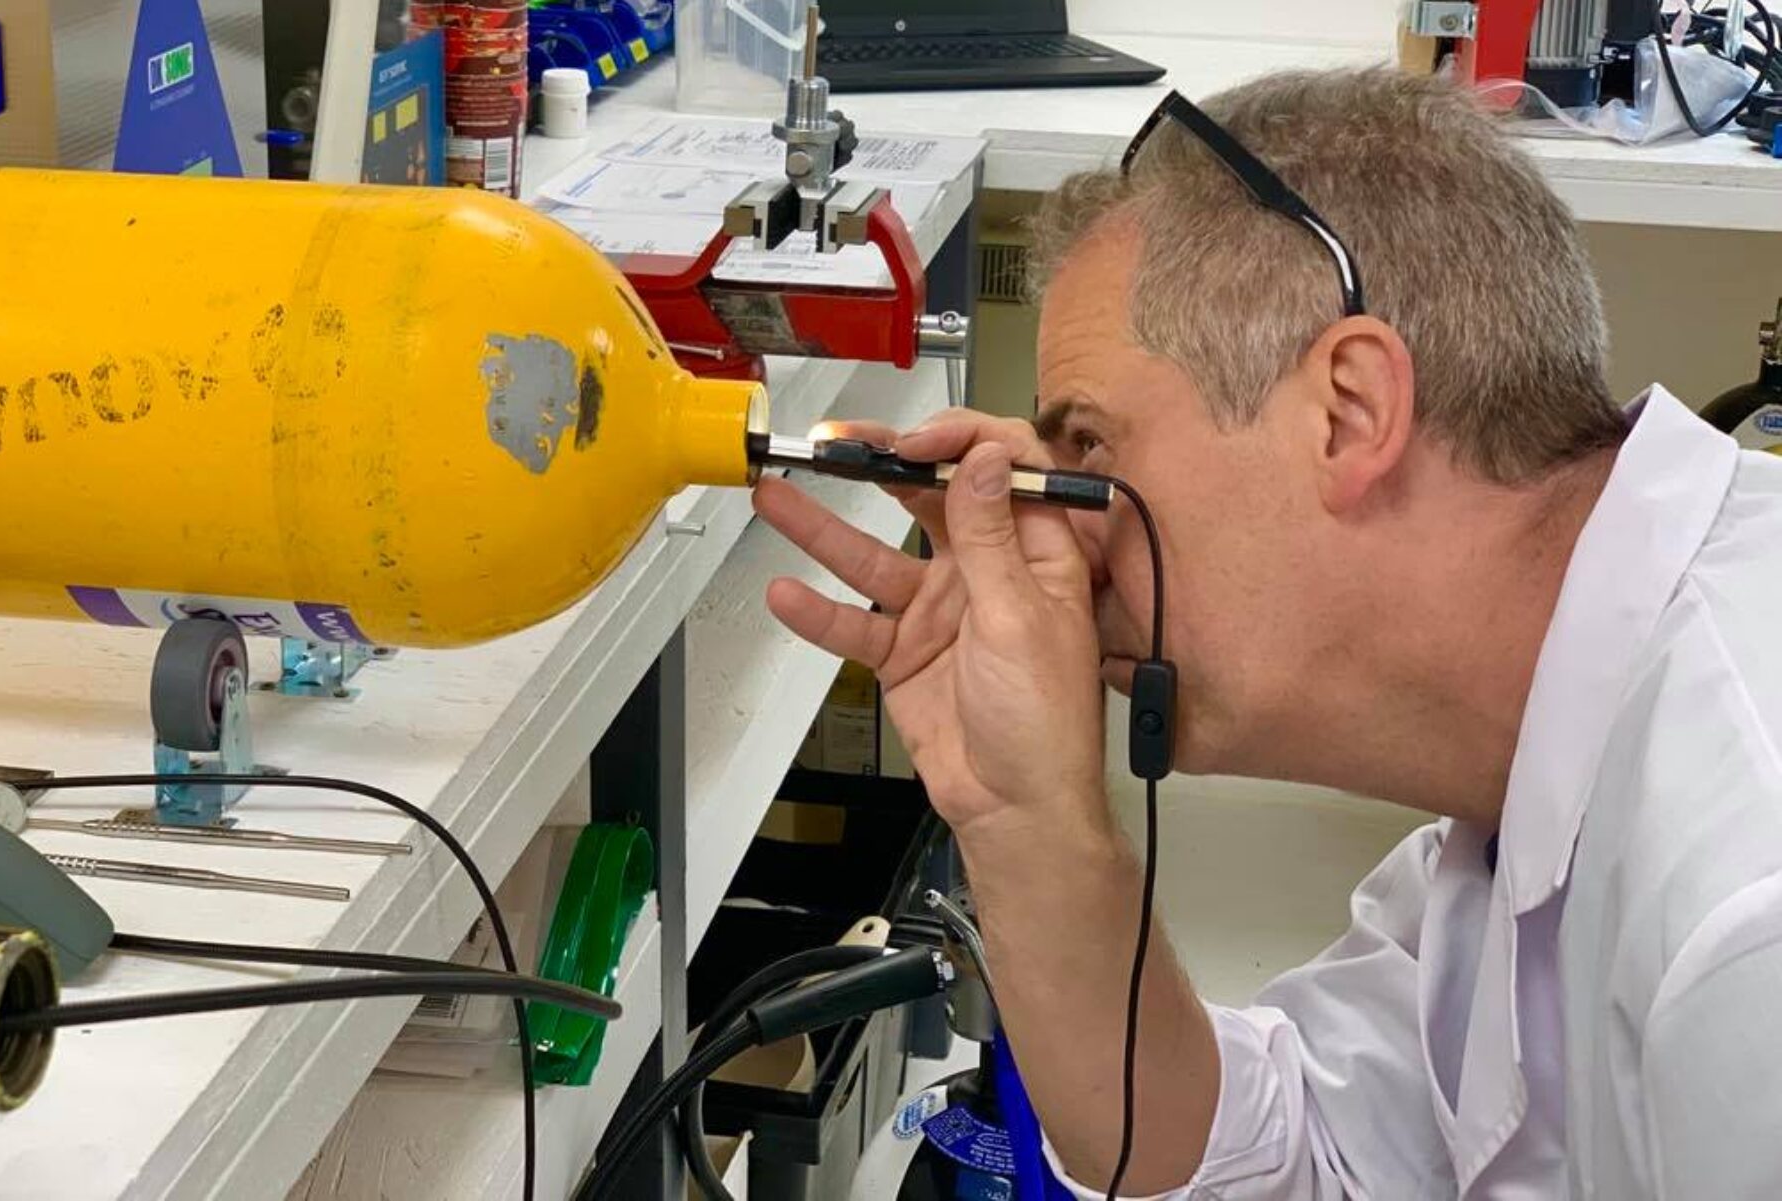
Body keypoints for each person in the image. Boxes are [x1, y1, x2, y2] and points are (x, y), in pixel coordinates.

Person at [755, 66, 1782, 1198]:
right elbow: (1289, 1153)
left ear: (1347, 411)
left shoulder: (1745, 911)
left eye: (1089, 449)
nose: (1065, 547)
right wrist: (1023, 816)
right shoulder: (1512, 791)